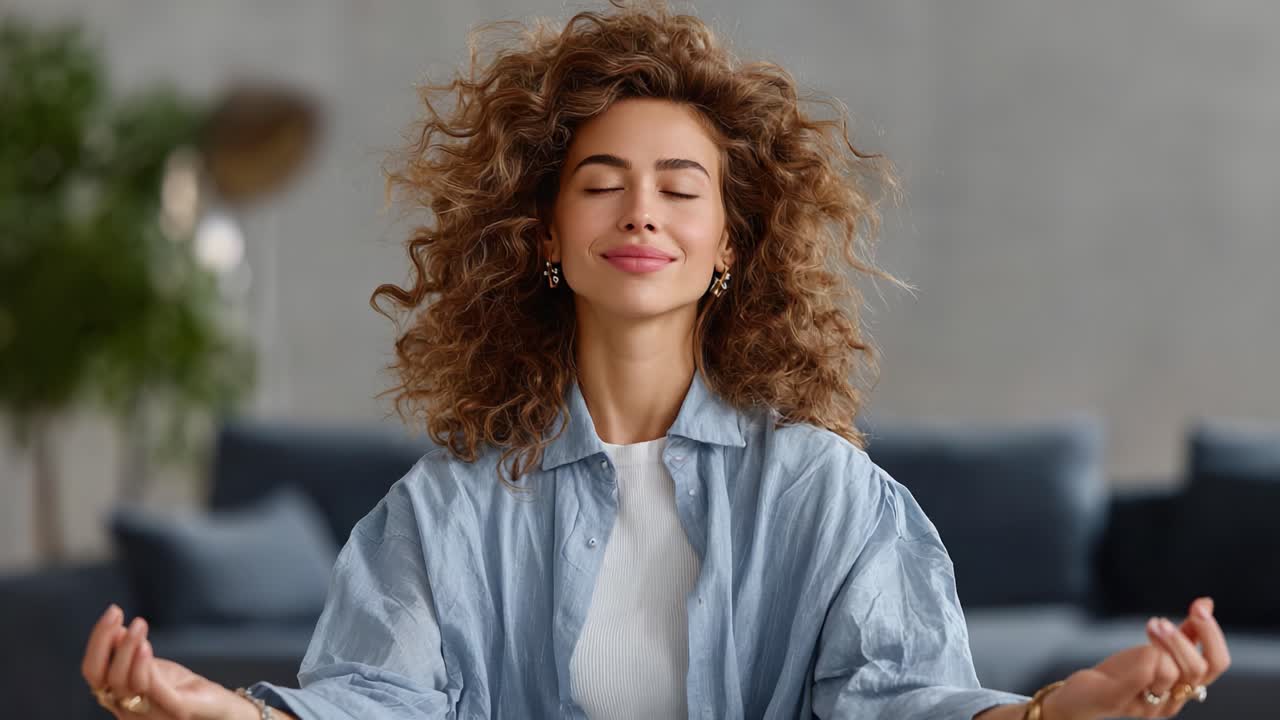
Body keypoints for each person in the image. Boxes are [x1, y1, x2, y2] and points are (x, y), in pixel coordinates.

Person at [80, 1, 1231, 718]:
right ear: (544, 239)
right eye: (599, 184)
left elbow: (900, 706)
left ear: (727, 244)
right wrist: (224, 715)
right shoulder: (446, 507)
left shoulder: (823, 493)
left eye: (679, 190)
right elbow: (375, 703)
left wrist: (1050, 716)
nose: (640, 213)